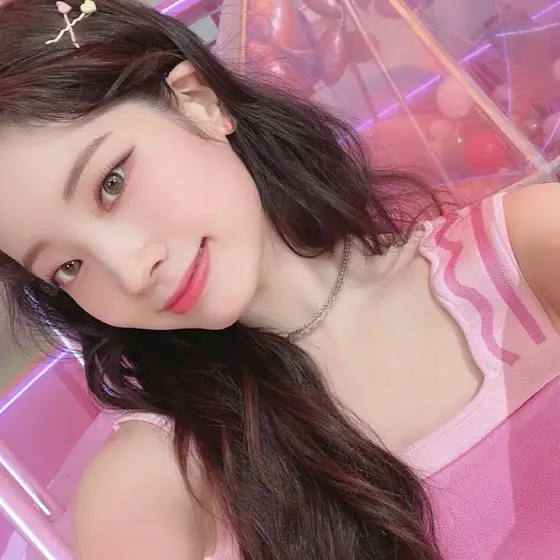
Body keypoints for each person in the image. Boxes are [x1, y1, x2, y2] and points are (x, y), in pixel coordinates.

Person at [0, 0, 559, 558]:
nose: (130, 272)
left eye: (111, 183)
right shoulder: (160, 479)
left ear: (198, 101)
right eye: (68, 267)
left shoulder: (524, 259)